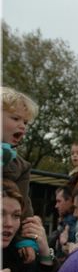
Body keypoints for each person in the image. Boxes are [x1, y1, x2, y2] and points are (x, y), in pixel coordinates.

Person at [2, 86, 39, 261]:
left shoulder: (21, 166)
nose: (22, 126)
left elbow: (24, 205)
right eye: (15, 118)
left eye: (25, 122)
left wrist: (26, 240)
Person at [52, 187, 78, 260]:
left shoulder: (71, 223)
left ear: (69, 200)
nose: (56, 206)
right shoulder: (65, 221)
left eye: (59, 201)